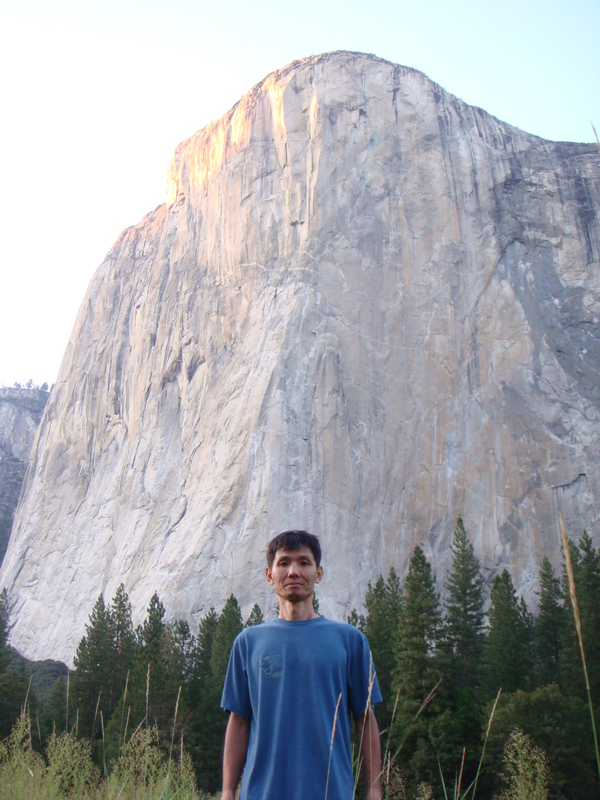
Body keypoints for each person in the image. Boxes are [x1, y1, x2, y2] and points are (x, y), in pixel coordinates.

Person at [221, 529, 382, 800]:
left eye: (304, 562)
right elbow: (239, 721)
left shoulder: (350, 641)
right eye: (284, 563)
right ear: (269, 574)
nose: (293, 571)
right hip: (262, 793)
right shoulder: (248, 643)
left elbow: (365, 719)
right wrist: (227, 792)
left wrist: (374, 790)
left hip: (331, 792)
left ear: (318, 573)